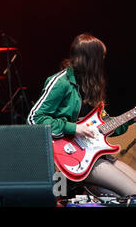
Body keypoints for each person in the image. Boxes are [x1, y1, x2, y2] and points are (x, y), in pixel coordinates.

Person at [27, 33, 136, 196]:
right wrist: (74, 128)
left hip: (95, 154)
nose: (103, 62)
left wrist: (130, 118)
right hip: (70, 157)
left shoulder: (92, 85)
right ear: (91, 59)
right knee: (132, 192)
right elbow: (34, 119)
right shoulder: (60, 82)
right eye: (101, 57)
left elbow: (105, 127)